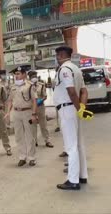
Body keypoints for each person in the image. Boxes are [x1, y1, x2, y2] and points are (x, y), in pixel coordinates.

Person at [53, 46, 93, 190]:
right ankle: (82, 176)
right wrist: (82, 108)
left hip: (67, 109)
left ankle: (73, 180)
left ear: (61, 54)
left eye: (57, 55)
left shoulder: (64, 69)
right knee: (79, 144)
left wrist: (78, 108)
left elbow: (72, 92)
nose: (56, 57)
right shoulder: (76, 69)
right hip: (75, 109)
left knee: (71, 146)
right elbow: (84, 91)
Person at [6, 67, 38, 167]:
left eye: (18, 73)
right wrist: (8, 112)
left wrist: (33, 114)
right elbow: (10, 100)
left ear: (24, 74)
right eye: (15, 74)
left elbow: (34, 101)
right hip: (16, 113)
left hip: (27, 112)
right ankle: (22, 157)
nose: (16, 75)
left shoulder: (30, 86)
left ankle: (31, 158)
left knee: (29, 135)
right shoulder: (13, 86)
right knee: (18, 136)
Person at [28, 71, 54, 148]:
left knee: (43, 124)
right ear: (29, 77)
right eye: (32, 76)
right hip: (31, 108)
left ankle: (47, 140)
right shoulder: (27, 86)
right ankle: (34, 141)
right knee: (33, 125)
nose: (34, 77)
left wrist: (40, 100)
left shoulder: (41, 85)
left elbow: (45, 96)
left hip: (40, 107)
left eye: (35, 76)